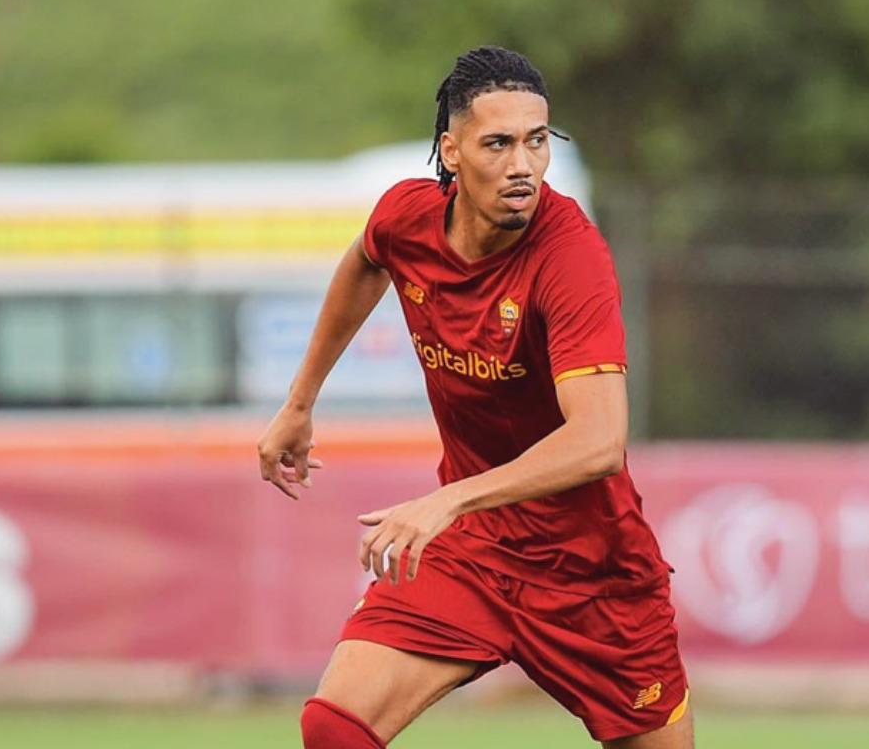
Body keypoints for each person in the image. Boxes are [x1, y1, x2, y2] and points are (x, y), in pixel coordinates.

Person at [257, 45, 692, 748]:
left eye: (537, 141)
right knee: (333, 729)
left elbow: (600, 442)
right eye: (498, 144)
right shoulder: (407, 216)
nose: (524, 165)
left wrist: (447, 501)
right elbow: (366, 260)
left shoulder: (571, 256)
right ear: (451, 152)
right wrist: (300, 402)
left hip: (593, 575)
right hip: (474, 552)